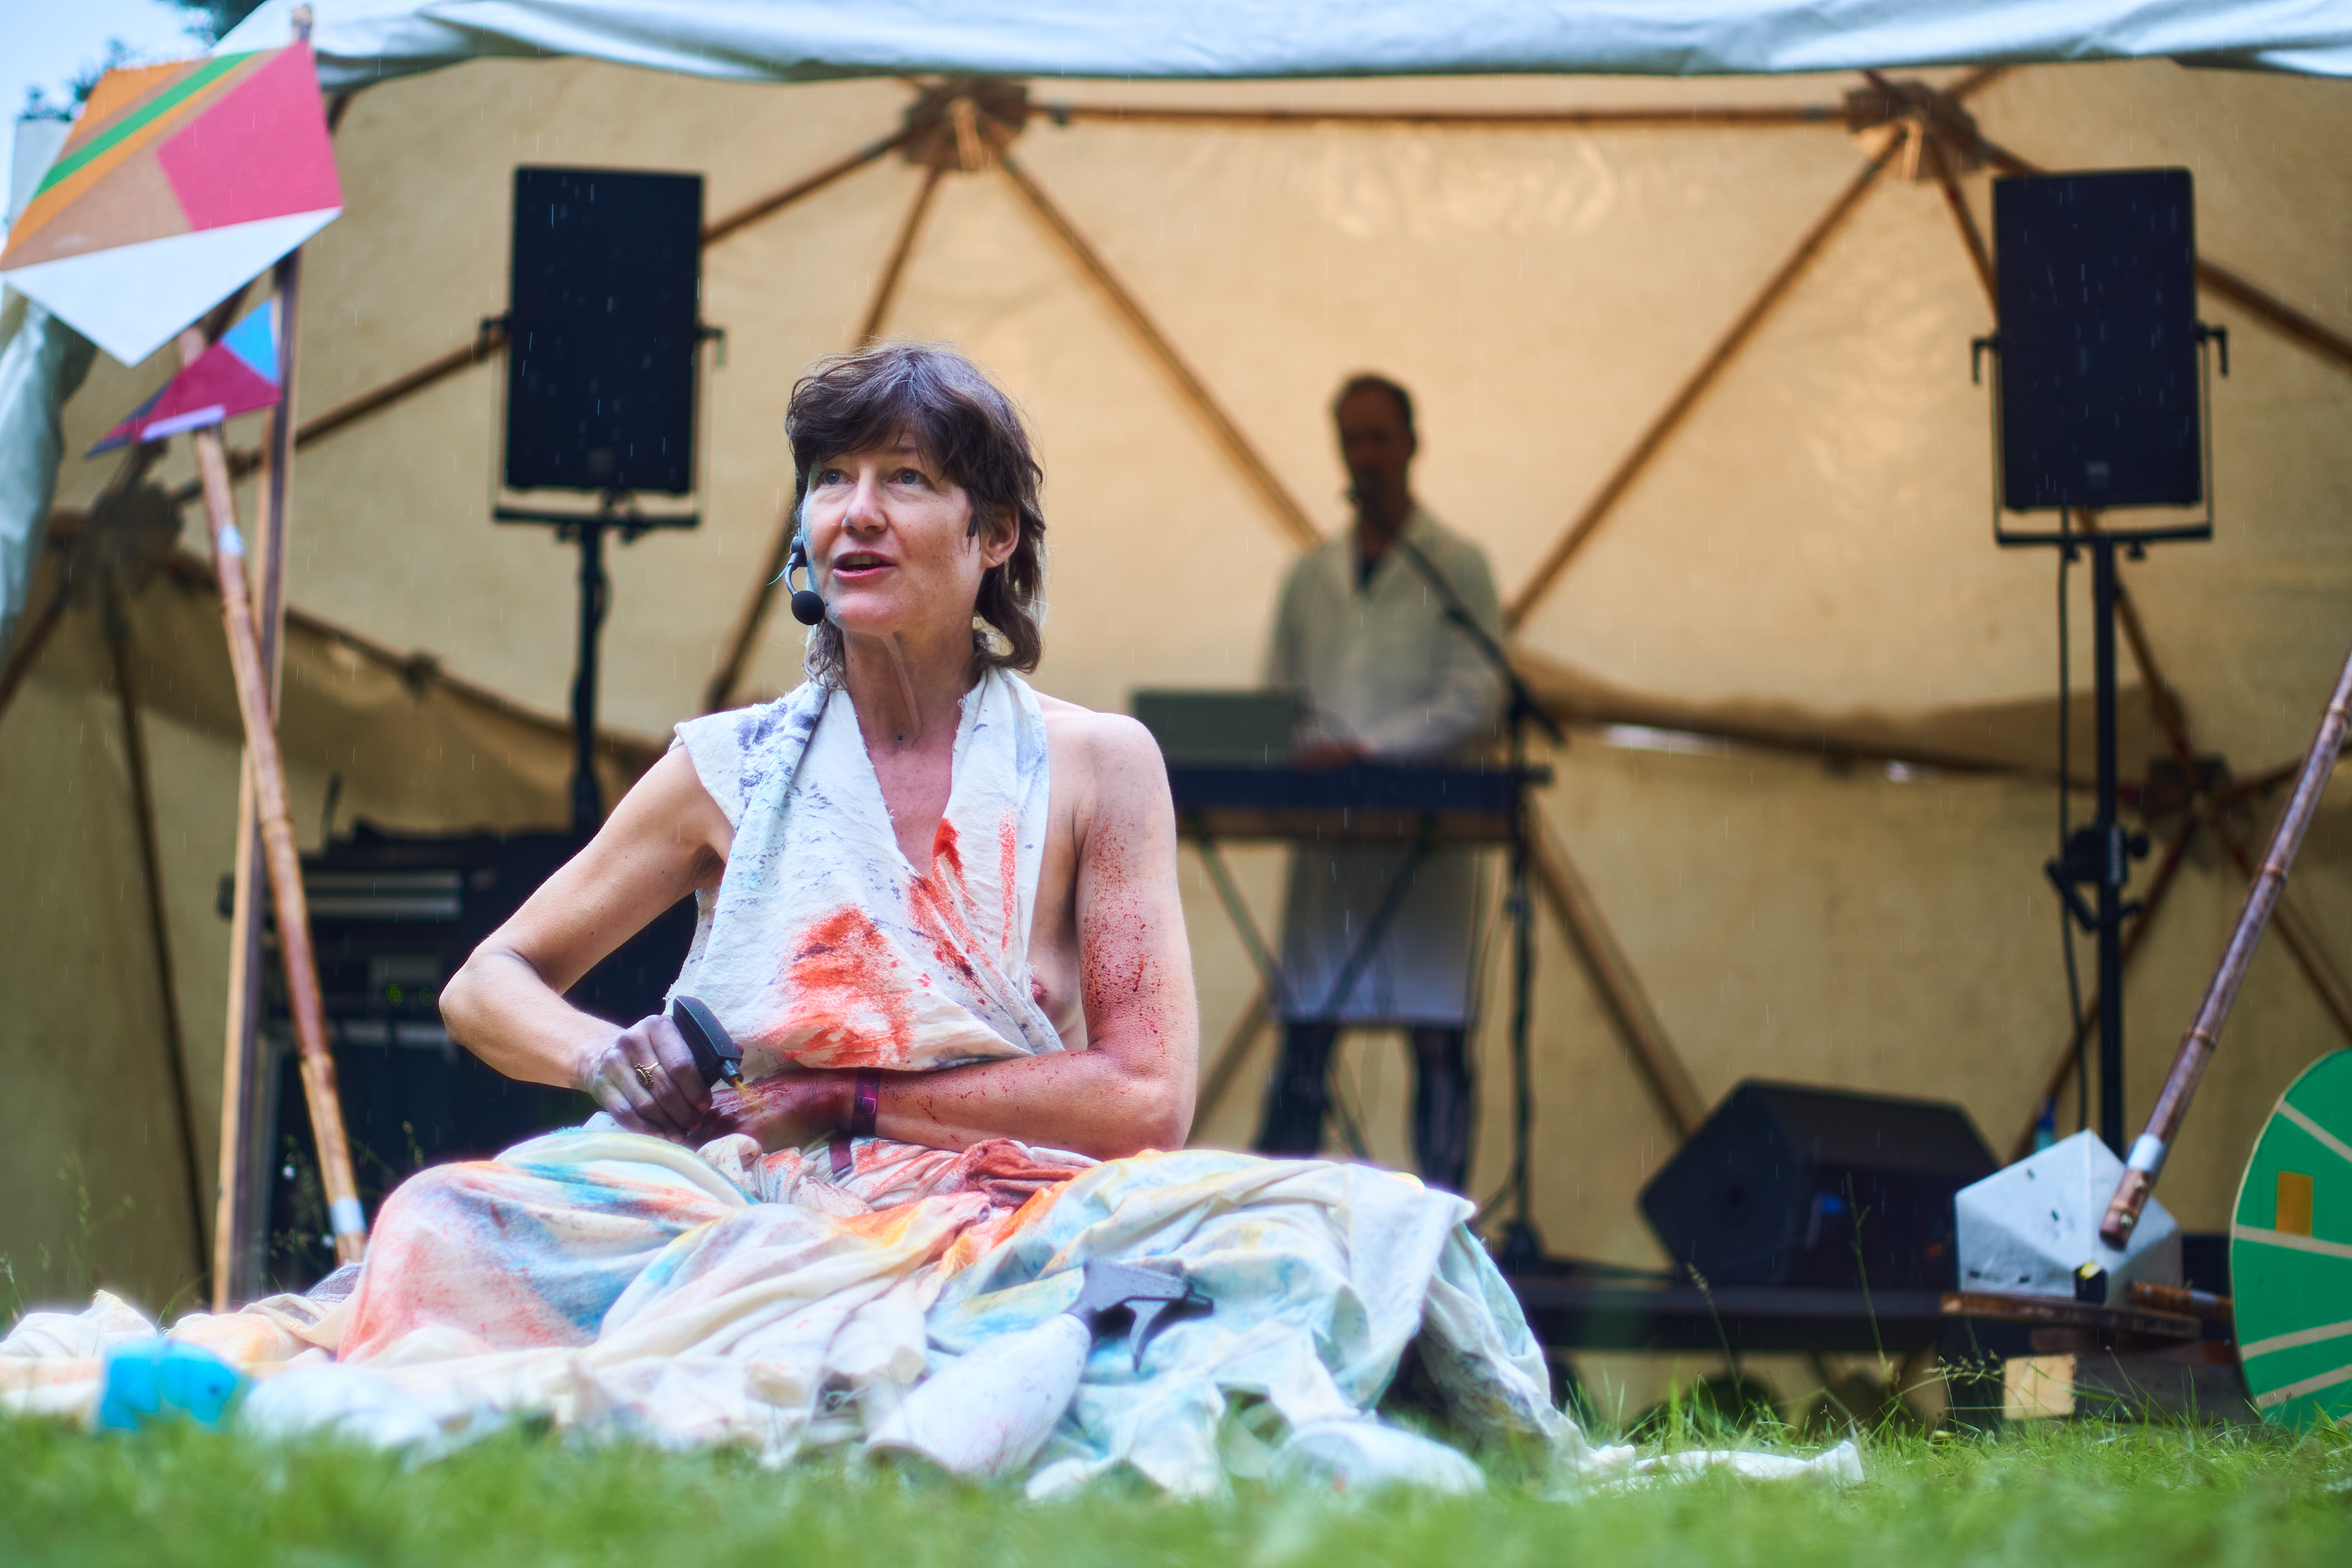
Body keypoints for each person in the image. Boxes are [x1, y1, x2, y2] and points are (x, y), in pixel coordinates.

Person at [0, 346, 1568, 1492]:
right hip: (737, 1199)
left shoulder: (1100, 764)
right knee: (438, 1222)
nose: (855, 513)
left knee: (1317, 1229)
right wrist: (606, 1057)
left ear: (995, 538)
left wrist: (863, 1102)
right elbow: (490, 985)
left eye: (908, 479)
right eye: (831, 479)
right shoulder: (728, 768)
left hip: (1002, 1203)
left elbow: (1143, 1097)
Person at [1256, 374, 1504, 1194]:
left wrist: (1370, 751)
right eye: (1352, 439)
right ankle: (1277, 1220)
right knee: (1307, 1039)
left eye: (1378, 438)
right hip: (1329, 850)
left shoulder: (1458, 566)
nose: (1364, 455)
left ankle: (1447, 1223)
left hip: (1429, 849)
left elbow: (1479, 697)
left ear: (1412, 444)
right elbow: (1275, 701)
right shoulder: (1308, 576)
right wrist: (1309, 753)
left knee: (1438, 1041)